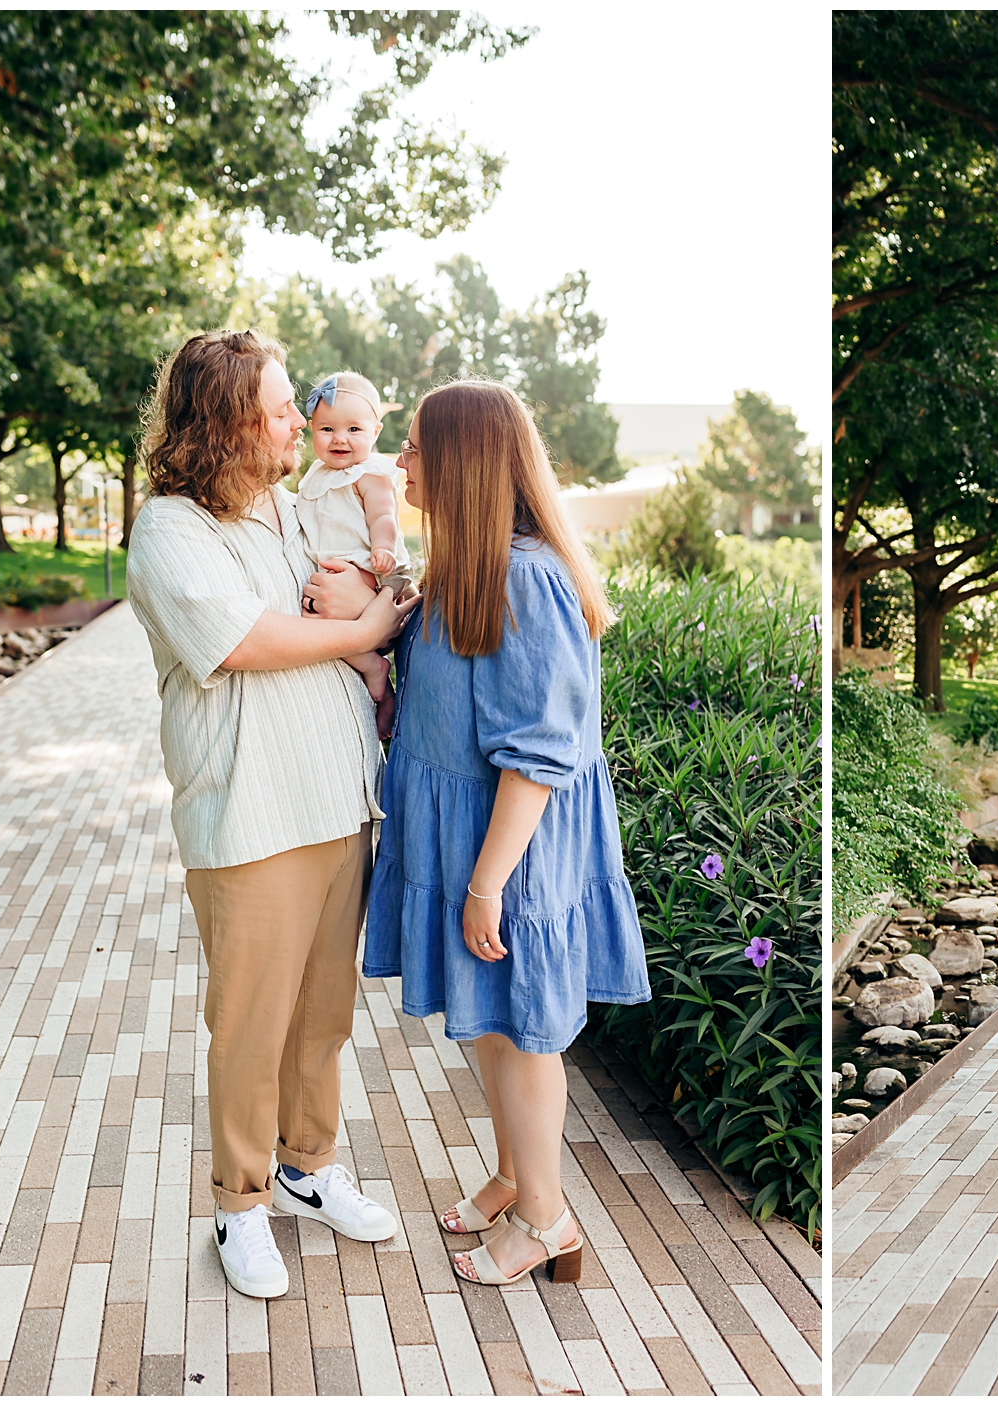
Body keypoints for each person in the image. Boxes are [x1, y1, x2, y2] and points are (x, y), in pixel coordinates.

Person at [127, 329, 419, 1300]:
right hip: (247, 814)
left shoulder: (289, 512)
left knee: (322, 1016)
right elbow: (243, 640)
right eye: (285, 406)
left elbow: (371, 560)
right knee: (250, 1023)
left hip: (339, 799)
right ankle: (240, 1203)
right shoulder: (171, 528)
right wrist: (368, 628)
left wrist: (375, 592)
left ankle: (308, 1163)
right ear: (226, 420)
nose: (302, 419)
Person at [363, 379, 651, 1287]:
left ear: (463, 463)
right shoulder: (465, 569)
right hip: (471, 837)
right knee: (491, 1026)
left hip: (511, 850)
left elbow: (536, 757)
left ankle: (547, 1219)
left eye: (412, 447)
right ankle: (513, 1174)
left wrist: (487, 881)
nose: (397, 461)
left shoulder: (527, 579)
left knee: (525, 1037)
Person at [295, 371, 413, 729]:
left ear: (375, 432)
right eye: (327, 429)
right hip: (340, 571)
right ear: (311, 429)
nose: (340, 439)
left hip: (373, 567)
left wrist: (383, 547)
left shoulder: (370, 473)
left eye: (354, 430)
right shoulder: (315, 476)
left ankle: (374, 666)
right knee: (315, 623)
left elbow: (383, 517)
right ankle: (374, 676)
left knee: (320, 621)